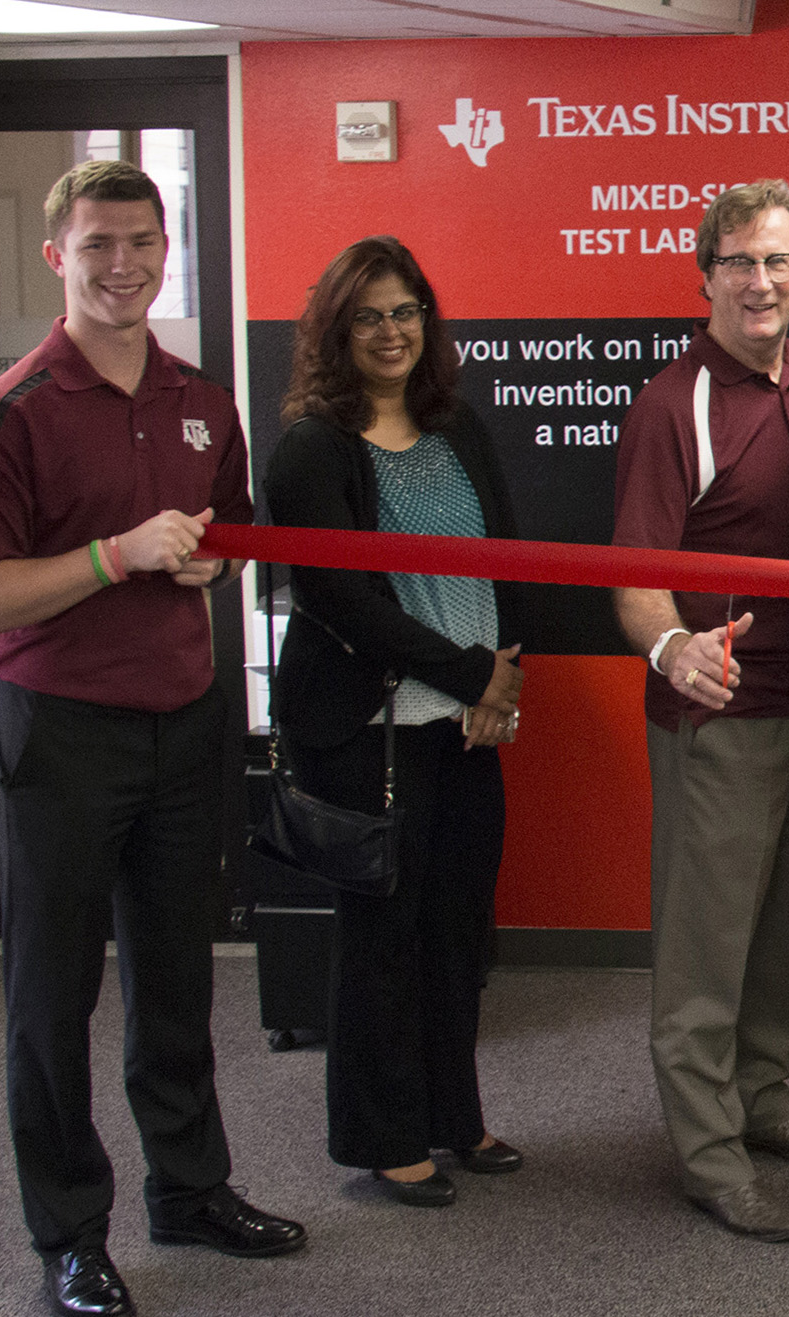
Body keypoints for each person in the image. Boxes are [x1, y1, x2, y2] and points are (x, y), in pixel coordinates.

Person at [0, 159, 304, 1317]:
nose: (122, 265)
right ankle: (69, 1234)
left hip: (184, 722)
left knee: (176, 979)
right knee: (52, 998)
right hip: (61, 734)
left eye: (141, 242)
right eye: (97, 244)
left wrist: (210, 558)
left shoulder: (203, 395)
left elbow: (228, 536)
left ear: (165, 249)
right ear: (60, 257)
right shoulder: (11, 412)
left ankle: (190, 1190)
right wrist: (117, 554)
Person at [263, 235, 529, 1211]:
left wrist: (503, 678)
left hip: (467, 720)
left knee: (459, 931)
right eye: (370, 314)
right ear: (338, 328)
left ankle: (455, 1115)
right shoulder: (310, 449)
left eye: (406, 310)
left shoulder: (457, 428)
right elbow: (344, 601)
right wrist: (472, 674)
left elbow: (508, 558)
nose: (391, 331)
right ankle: (383, 1137)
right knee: (382, 934)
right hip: (372, 727)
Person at [612, 180, 789, 1244]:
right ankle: (708, 1153)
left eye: (780, 261)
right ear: (706, 273)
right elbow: (635, 573)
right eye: (741, 262)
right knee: (707, 946)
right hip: (718, 715)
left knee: (785, 928)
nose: (762, 281)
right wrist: (671, 647)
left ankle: (761, 1098)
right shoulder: (674, 403)